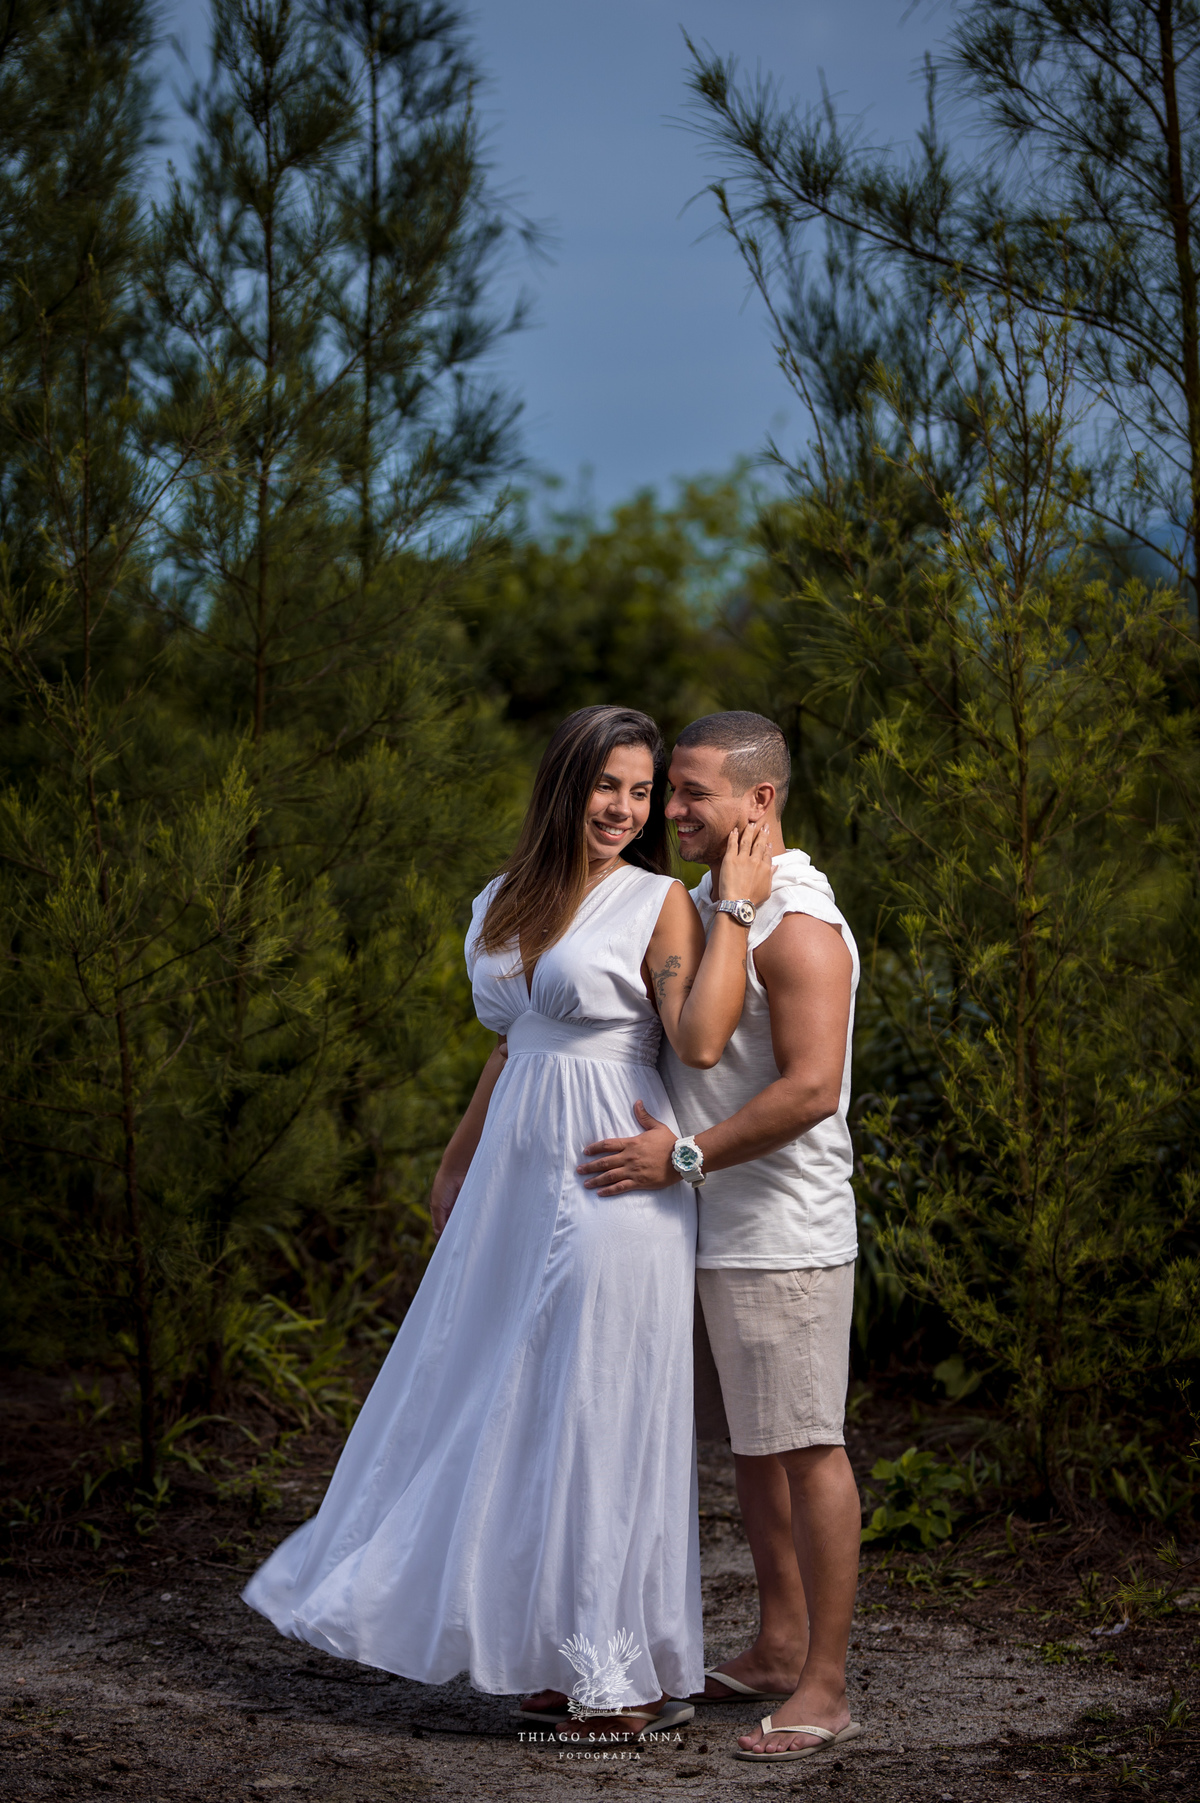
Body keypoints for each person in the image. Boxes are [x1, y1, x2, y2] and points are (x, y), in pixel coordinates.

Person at [242, 704, 773, 1744]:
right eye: (606, 785)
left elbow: (702, 1043)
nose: (624, 808)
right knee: (504, 1405)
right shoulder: (502, 900)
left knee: (596, 1419)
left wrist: (739, 912)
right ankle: (551, 1655)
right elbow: (512, 1044)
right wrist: (454, 1162)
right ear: (562, 786)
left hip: (614, 1180)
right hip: (511, 1188)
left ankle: (615, 1679)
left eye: (641, 788)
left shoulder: (661, 902)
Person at [577, 710, 863, 1766]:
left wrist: (683, 1160)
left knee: (805, 1447)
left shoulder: (798, 923)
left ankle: (826, 1688)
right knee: (751, 1453)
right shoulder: (712, 904)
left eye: (693, 793)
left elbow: (810, 1090)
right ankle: (781, 1644)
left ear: (761, 801)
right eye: (672, 791)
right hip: (697, 1226)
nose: (673, 811)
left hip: (780, 1233)